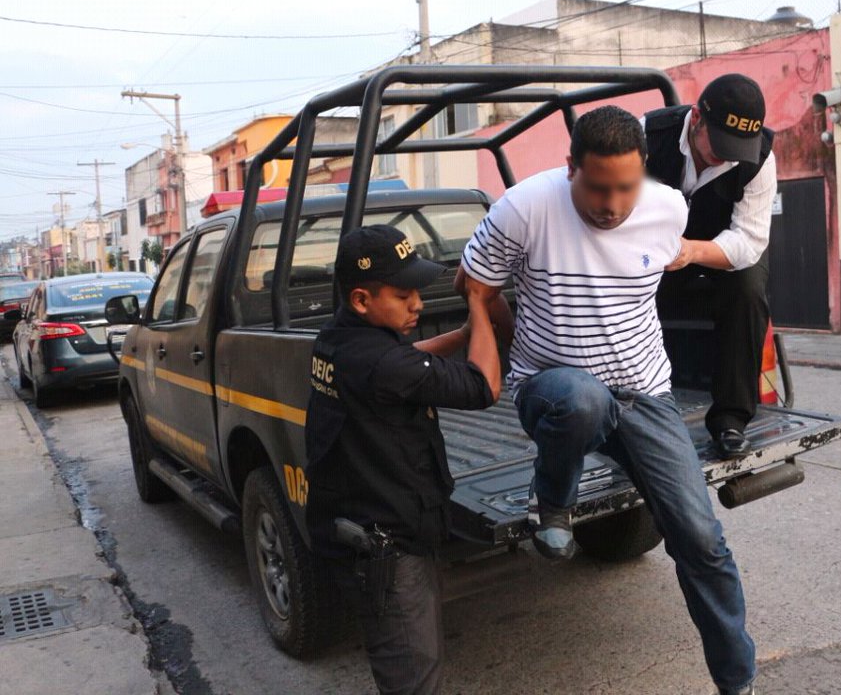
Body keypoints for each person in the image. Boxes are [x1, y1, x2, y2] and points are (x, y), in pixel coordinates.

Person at [456, 106, 757, 695]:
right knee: (583, 398)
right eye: (597, 186)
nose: (612, 203)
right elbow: (475, 284)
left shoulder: (669, 207)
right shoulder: (524, 207)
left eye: (625, 186)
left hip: (645, 390)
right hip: (552, 388)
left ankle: (738, 681)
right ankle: (553, 503)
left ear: (643, 170)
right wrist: (511, 340)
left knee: (702, 540)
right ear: (570, 167)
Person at [304, 224, 501, 695]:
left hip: (365, 532)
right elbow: (484, 386)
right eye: (402, 294)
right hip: (389, 553)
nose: (417, 304)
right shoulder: (382, 363)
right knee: (414, 679)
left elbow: (405, 360)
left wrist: (460, 333)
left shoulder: (335, 340)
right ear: (360, 299)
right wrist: (478, 304)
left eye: (417, 290)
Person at [642, 73, 778, 460]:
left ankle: (731, 420)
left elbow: (749, 241)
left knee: (750, 289)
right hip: (650, 251)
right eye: (720, 144)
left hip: (716, 252)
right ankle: (628, 408)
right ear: (697, 118)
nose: (728, 155)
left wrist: (691, 252)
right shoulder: (647, 135)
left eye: (738, 148)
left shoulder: (761, 158)